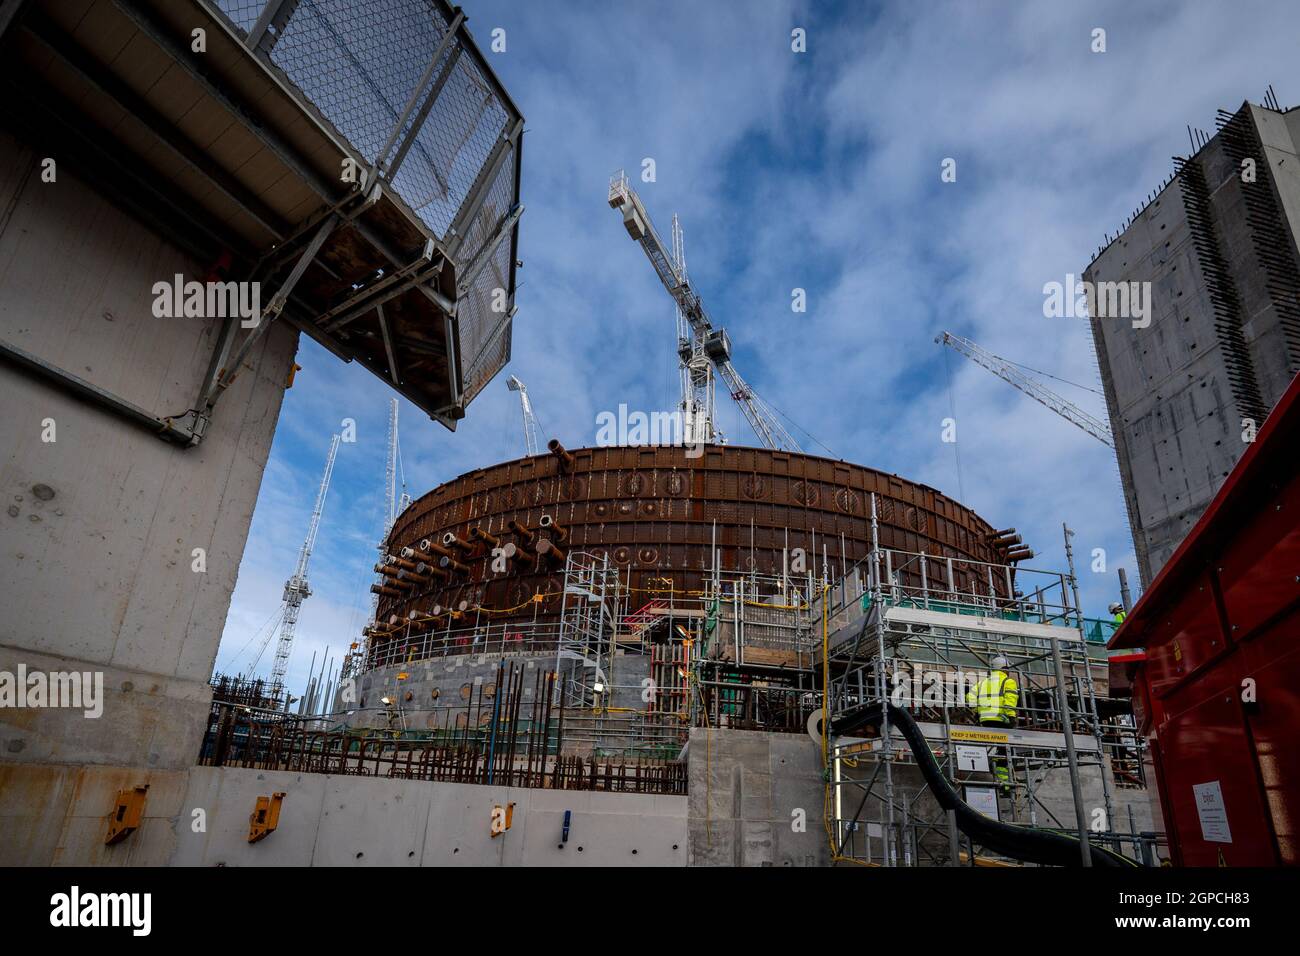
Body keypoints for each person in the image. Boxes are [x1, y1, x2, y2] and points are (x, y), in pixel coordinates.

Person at [967, 655, 1018, 794]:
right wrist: (1011, 716)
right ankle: (1006, 783)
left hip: (985, 720)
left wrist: (976, 711)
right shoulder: (1008, 681)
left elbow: (970, 696)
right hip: (1002, 719)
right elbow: (1010, 699)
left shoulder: (983, 682)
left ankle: (999, 775)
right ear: (1005, 668)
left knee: (996, 749)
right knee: (1006, 751)